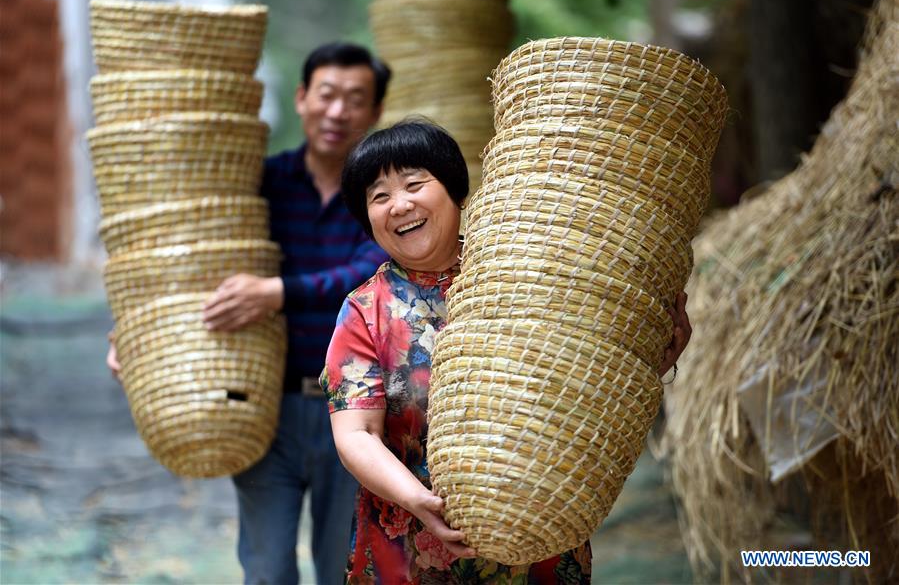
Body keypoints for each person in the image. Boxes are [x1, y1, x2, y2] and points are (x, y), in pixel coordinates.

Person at [320, 120, 692, 583]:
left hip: (543, 533)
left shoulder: (532, 274)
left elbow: (587, 386)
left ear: (456, 192)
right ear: (367, 219)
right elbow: (356, 434)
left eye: (415, 184)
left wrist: (651, 361)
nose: (400, 205)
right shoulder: (363, 311)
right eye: (379, 197)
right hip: (412, 552)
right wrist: (419, 500)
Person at [108, 42, 392, 585]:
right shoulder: (258, 185)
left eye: (355, 99)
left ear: (376, 112)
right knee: (266, 570)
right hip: (262, 406)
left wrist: (275, 291)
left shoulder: (382, 195)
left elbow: (368, 276)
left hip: (361, 411)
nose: (337, 112)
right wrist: (139, 331)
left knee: (347, 570)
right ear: (302, 98)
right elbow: (195, 259)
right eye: (327, 94)